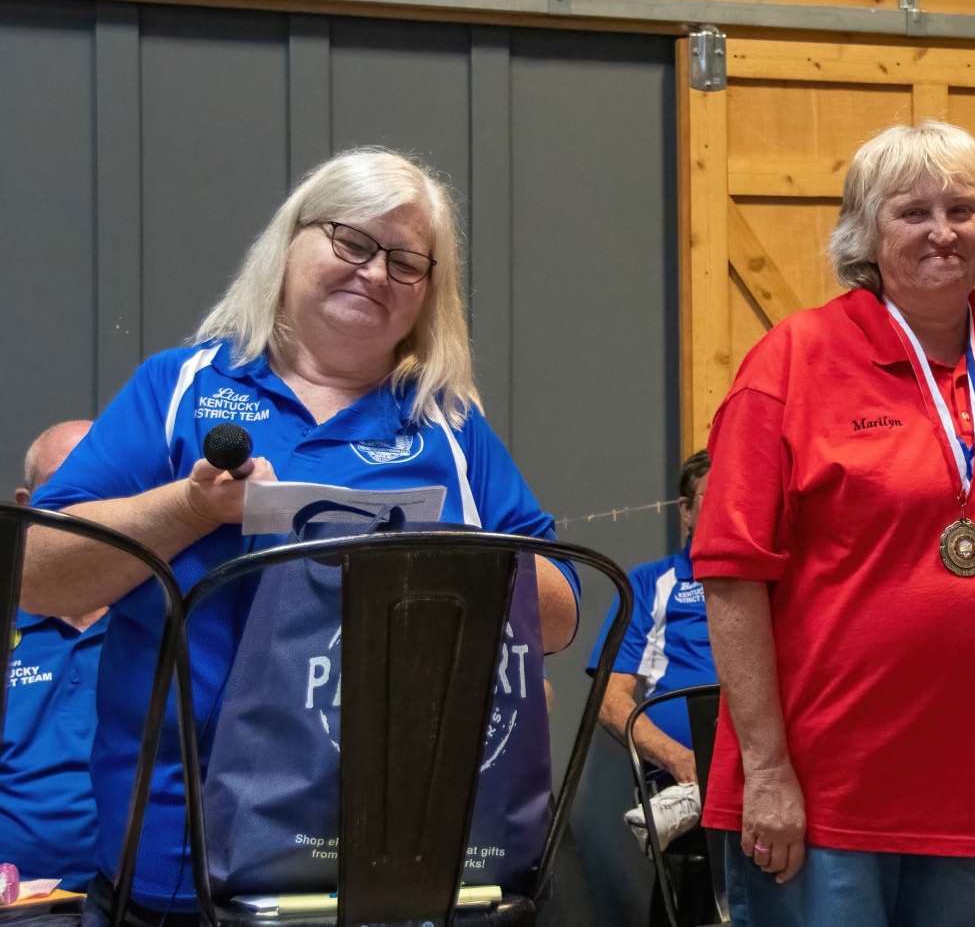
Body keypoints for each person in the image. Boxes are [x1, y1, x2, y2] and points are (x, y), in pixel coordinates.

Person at [21, 148, 580, 924]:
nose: (375, 273)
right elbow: (39, 573)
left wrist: (452, 554)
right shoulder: (179, 388)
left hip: (401, 859)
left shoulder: (450, 426)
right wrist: (191, 508)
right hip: (181, 857)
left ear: (430, 292)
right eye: (351, 241)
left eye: (406, 261)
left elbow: (559, 615)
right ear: (291, 243)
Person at [693, 120, 975, 927]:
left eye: (962, 209)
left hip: (971, 790)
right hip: (827, 792)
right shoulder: (793, 358)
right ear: (864, 232)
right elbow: (730, 573)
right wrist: (766, 770)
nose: (942, 231)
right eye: (912, 212)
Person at [592, 449, 715, 925]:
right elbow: (609, 701)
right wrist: (679, 759)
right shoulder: (651, 583)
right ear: (685, 509)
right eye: (714, 497)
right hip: (684, 786)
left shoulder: (778, 582)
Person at [3, 420, 106, 891]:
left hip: (139, 900)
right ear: (27, 505)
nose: (89, 506)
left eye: (108, 485)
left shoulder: (170, 621)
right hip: (14, 902)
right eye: (65, 485)